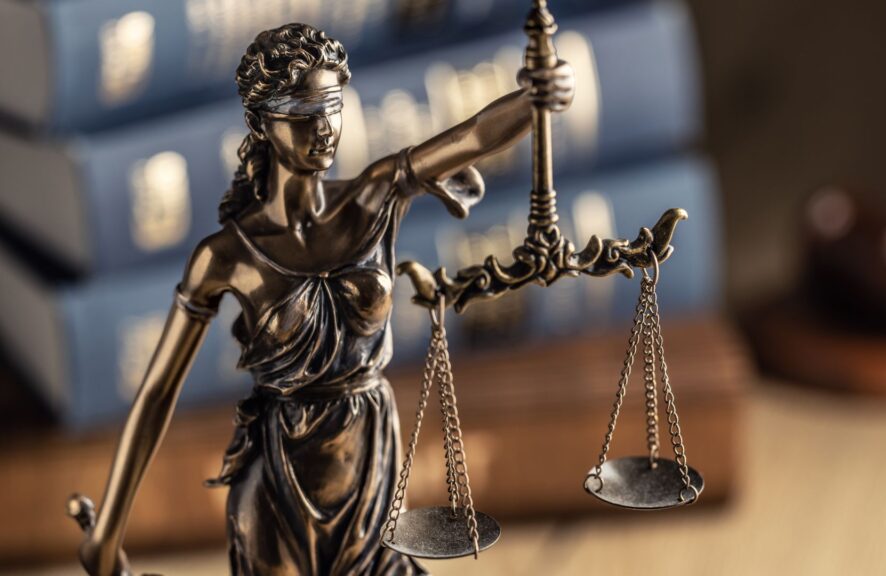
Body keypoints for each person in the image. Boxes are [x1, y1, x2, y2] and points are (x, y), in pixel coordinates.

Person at [75, 22, 573, 576]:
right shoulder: (225, 257)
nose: (325, 129)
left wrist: (537, 98)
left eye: (333, 107)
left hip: (371, 466)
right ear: (263, 122)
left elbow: (473, 135)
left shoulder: (374, 197)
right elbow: (157, 394)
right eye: (303, 114)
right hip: (278, 477)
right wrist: (106, 534)